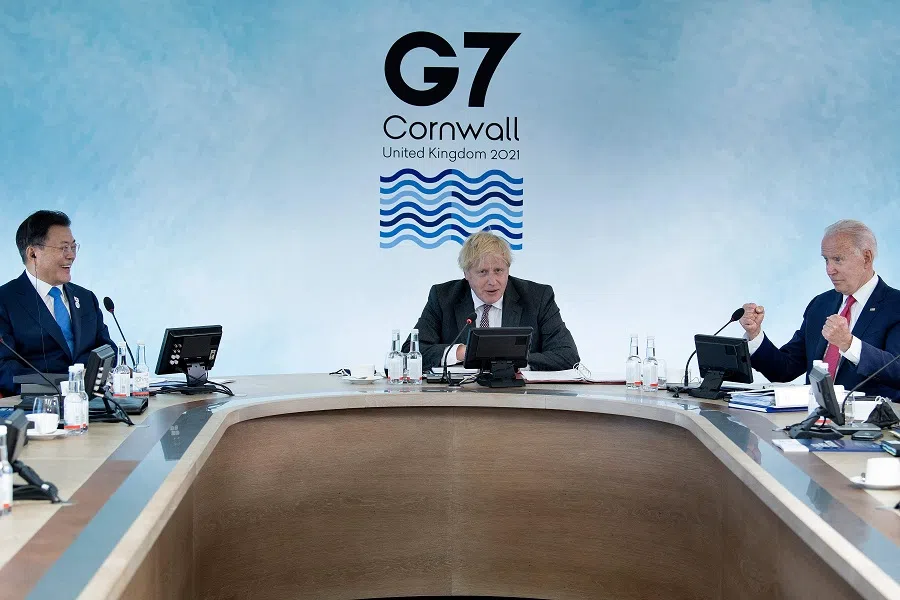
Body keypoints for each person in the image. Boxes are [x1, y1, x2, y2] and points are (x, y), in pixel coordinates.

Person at [739, 220, 900, 401]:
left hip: (871, 424)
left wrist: (849, 344)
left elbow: (897, 371)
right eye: (826, 260)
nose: (829, 270)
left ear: (866, 258)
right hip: (812, 422)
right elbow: (785, 369)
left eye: (838, 259)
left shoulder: (895, 305)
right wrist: (755, 334)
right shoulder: (820, 304)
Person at [408, 231, 580, 372]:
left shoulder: (538, 297)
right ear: (466, 274)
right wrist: (463, 352)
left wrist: (509, 359)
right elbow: (410, 352)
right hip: (460, 399)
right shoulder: (443, 297)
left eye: (499, 270)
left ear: (508, 269)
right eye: (482, 272)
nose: (493, 281)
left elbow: (567, 355)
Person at [0, 210, 115, 396]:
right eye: (63, 248)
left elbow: (107, 349)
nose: (71, 256)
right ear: (33, 253)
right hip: (37, 410)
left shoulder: (86, 298)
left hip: (92, 404)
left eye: (73, 247)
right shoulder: (5, 300)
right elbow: (3, 367)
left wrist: (92, 378)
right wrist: (65, 385)